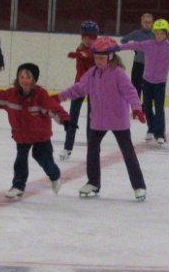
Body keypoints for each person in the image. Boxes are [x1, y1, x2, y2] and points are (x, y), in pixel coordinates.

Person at [56, 37, 148, 201]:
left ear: (110, 57)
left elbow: (131, 91)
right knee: (92, 150)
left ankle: (139, 186)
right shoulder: (92, 73)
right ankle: (93, 182)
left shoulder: (118, 73)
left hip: (118, 120)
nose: (98, 61)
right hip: (98, 120)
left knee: (128, 152)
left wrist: (136, 108)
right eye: (96, 58)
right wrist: (58, 97)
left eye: (101, 58)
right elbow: (78, 89)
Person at [0, 63, 72, 199]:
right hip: (21, 134)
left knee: (44, 159)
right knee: (20, 160)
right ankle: (18, 186)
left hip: (40, 135)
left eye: (28, 77)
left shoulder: (40, 95)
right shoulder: (11, 94)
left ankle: (55, 175)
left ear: (34, 79)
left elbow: (53, 108)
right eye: (21, 77)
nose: (24, 80)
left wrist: (65, 120)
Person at [60, 20, 99, 160]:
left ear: (95, 37)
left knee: (92, 119)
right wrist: (80, 54)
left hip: (95, 87)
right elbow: (81, 69)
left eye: (91, 37)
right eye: (85, 37)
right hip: (80, 85)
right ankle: (67, 147)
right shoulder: (79, 50)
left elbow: (92, 55)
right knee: (72, 116)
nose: (88, 40)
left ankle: (91, 149)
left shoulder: (99, 50)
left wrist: (82, 55)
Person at [120, 12, 154, 100]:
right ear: (141, 22)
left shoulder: (154, 35)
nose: (147, 24)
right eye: (145, 22)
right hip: (138, 65)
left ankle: (145, 107)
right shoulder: (136, 33)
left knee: (147, 89)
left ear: (152, 23)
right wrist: (132, 46)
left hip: (150, 67)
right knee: (135, 88)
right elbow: (123, 40)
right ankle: (136, 106)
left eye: (149, 22)